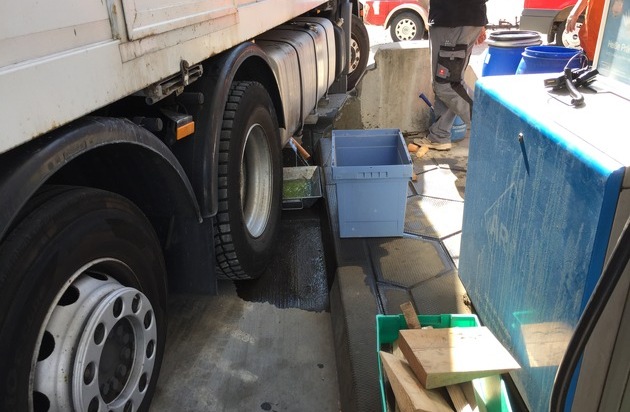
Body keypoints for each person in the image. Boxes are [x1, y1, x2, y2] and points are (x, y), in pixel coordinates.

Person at [414, 0, 488, 151]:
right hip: (454, 18)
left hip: (454, 20)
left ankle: (491, 126)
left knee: (447, 84)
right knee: (445, 81)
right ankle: (439, 136)